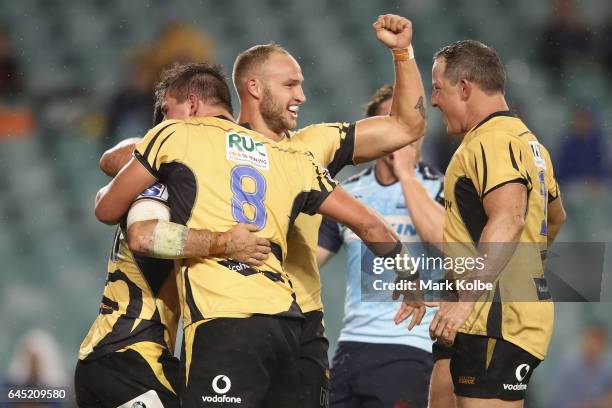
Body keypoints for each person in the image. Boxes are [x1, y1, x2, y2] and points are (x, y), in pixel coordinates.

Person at [98, 14, 427, 407]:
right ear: (253, 87)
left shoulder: (309, 145)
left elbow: (408, 127)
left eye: (301, 85)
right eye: (290, 84)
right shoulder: (235, 147)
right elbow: (119, 158)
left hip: (296, 321)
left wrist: (403, 53)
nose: (302, 96)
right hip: (241, 314)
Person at [76, 67, 271, 408]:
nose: (164, 125)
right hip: (126, 356)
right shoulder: (159, 184)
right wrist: (225, 243)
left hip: (133, 359)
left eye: (167, 113)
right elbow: (143, 235)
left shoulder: (202, 185)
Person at [412, 40, 567, 407]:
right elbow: (555, 218)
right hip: (484, 316)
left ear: (464, 87)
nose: (433, 100)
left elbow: (510, 219)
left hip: (493, 320)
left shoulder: (492, 141)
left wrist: (468, 297)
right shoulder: (531, 145)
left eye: (437, 87)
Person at [316, 84, 444, 408]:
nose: (397, 130)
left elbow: (449, 243)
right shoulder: (348, 193)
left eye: (405, 119)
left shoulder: (441, 187)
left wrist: (405, 172)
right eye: (388, 121)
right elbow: (313, 257)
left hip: (410, 346)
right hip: (351, 345)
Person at [550, 322, 612, 408]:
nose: (594, 345)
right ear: (584, 340)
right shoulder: (568, 370)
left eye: (598, 340)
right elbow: (559, 402)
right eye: (591, 339)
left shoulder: (607, 372)